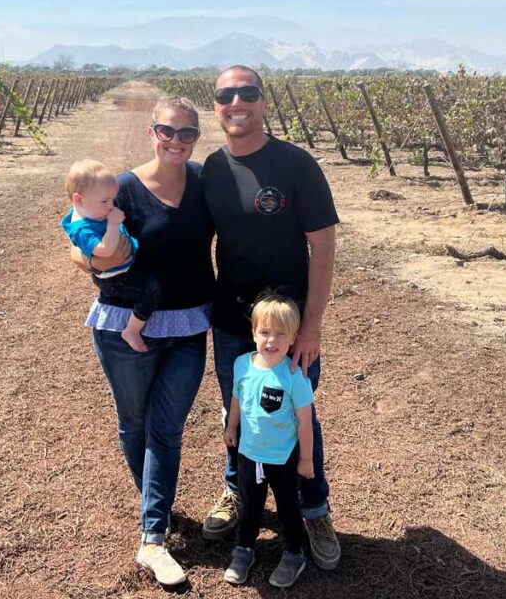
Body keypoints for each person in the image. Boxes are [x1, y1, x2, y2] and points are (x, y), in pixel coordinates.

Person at [68, 96, 214, 587]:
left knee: (166, 429)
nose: (175, 141)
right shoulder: (123, 188)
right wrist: (90, 261)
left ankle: (152, 535)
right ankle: (158, 516)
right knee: (134, 423)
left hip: (190, 324)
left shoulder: (204, 184)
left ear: (197, 137)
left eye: (186, 133)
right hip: (125, 325)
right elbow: (77, 237)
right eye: (166, 131)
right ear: (152, 133)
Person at [201, 65, 342, 570]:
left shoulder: (295, 165)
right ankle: (237, 490)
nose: (236, 101)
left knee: (296, 412)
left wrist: (312, 326)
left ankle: (313, 508)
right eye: (225, 94)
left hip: (288, 327)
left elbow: (323, 245)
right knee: (236, 412)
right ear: (215, 105)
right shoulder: (212, 170)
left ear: (263, 101)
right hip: (234, 323)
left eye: (247, 92)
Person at [223, 295, 315, 588]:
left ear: (293, 339)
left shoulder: (294, 375)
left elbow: (304, 422)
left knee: (288, 506)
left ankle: (292, 553)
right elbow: (237, 398)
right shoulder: (242, 364)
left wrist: (306, 459)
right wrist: (232, 425)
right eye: (264, 332)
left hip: (283, 457)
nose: (271, 341)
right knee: (250, 505)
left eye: (280, 334)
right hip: (249, 454)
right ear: (253, 333)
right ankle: (244, 550)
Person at [60, 159, 156, 352]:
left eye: (112, 199)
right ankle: (131, 330)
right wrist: (113, 225)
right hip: (115, 279)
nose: (111, 206)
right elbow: (105, 251)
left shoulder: (92, 213)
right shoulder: (82, 229)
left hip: (124, 269)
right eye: (105, 201)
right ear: (78, 200)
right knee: (151, 294)